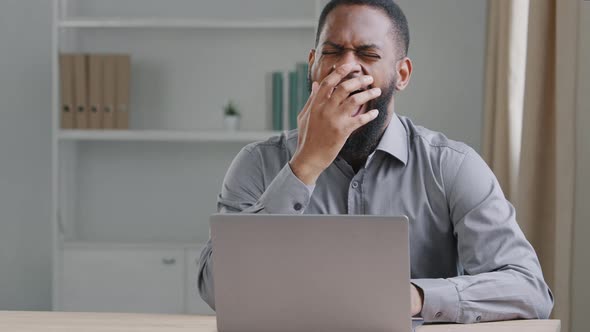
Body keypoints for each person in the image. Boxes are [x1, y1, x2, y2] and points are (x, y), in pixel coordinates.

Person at [198, 0, 553, 324]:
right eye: (333, 52)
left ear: (402, 74)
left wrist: (415, 296)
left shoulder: (451, 167)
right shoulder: (257, 163)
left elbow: (529, 290)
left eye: (367, 54)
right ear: (313, 65)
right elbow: (218, 289)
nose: (346, 67)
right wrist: (304, 165)